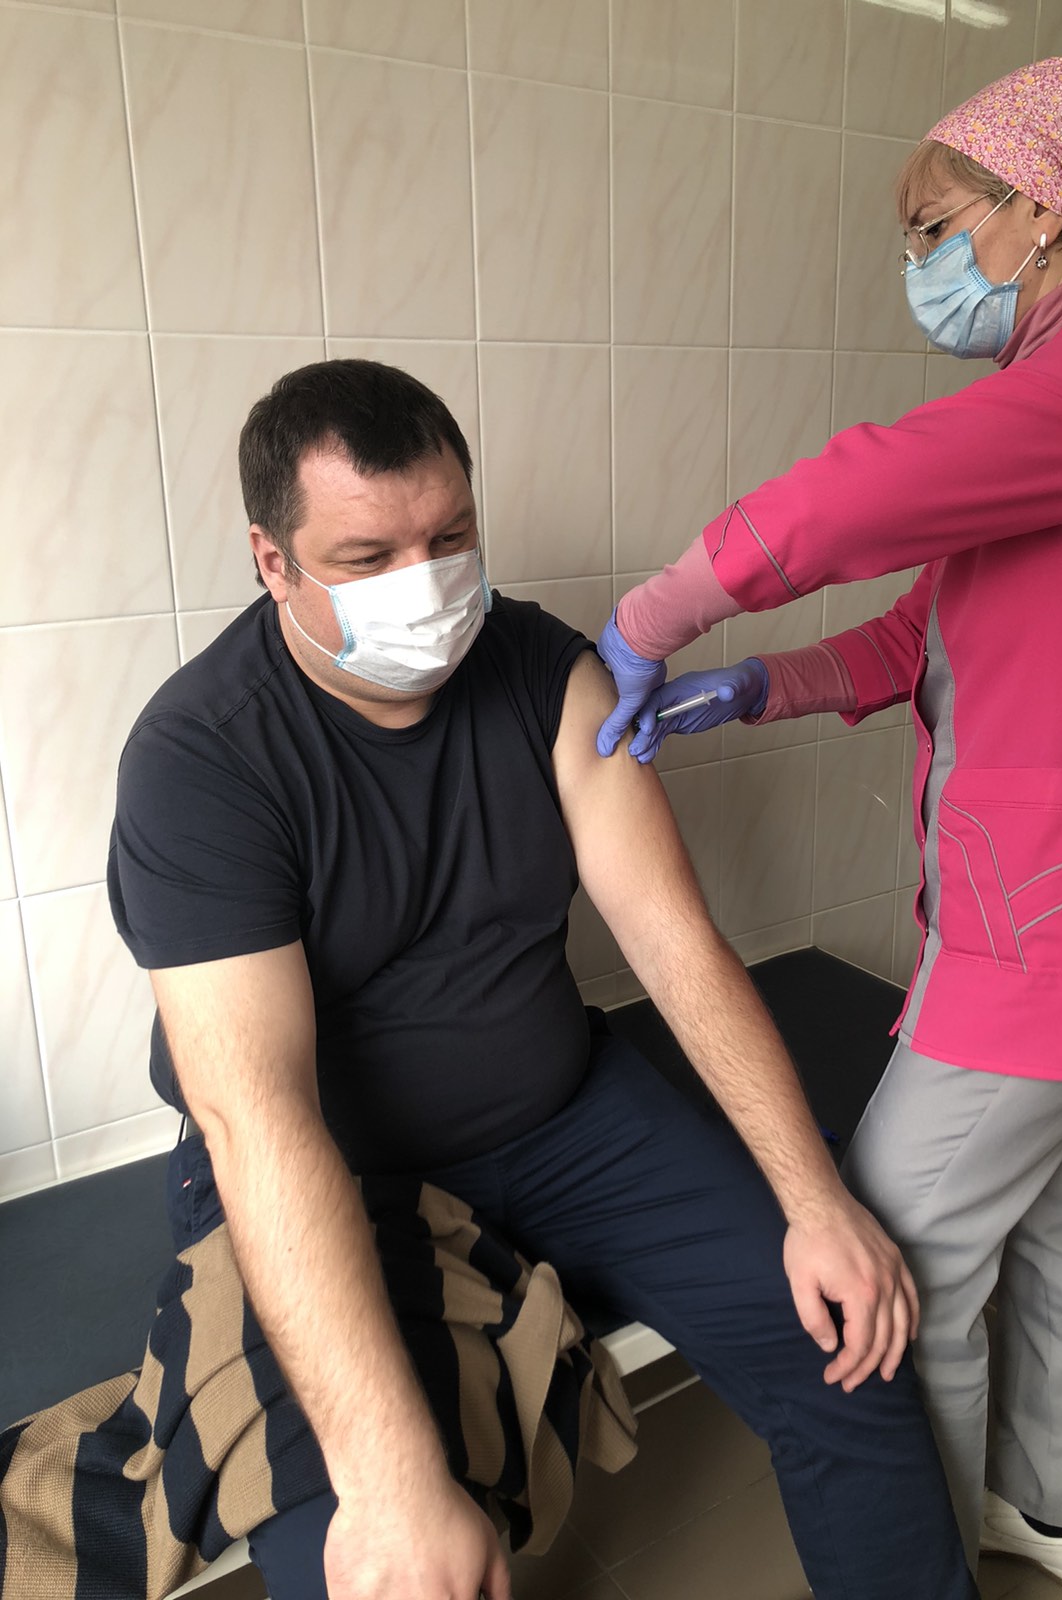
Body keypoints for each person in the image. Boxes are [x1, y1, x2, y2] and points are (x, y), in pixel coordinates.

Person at [106, 359, 977, 1600]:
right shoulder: (202, 759)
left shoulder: (543, 673)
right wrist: (393, 1477)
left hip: (564, 1117)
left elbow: (675, 944)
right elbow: (260, 1114)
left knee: (845, 1338)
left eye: (449, 537)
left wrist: (816, 1200)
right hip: (327, 1169)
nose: (426, 583)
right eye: (369, 557)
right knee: (366, 1552)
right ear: (272, 561)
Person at [593, 56, 1062, 1593]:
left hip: (1054, 929)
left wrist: (659, 613)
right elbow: (918, 631)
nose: (919, 263)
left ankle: (913, 1554)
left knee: (895, 1245)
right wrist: (752, 689)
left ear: (1039, 210)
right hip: (1045, 914)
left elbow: (867, 492)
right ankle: (1060, 1507)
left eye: (934, 228)